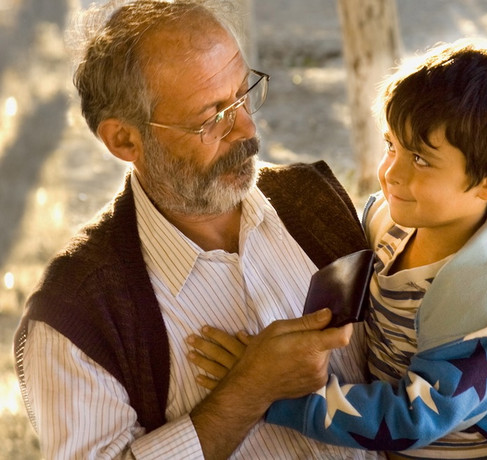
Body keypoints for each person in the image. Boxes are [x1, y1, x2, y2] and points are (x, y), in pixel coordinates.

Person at [191, 41, 487, 459]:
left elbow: (414, 419)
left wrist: (273, 394)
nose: (391, 173)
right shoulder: (387, 223)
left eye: (421, 159)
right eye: (391, 145)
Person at [13, 1, 380, 459]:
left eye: (244, 95)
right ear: (124, 140)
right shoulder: (76, 313)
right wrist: (251, 390)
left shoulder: (314, 199)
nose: (247, 131)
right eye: (212, 117)